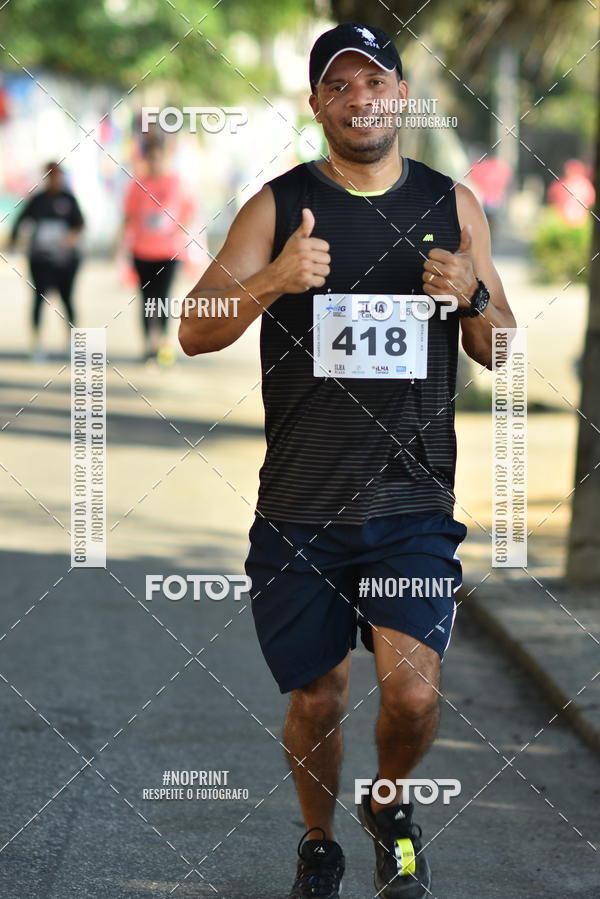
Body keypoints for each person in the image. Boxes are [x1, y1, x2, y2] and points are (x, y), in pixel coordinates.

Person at [180, 22, 516, 899]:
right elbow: (193, 329)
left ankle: (390, 804)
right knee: (319, 695)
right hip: (301, 507)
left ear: (400, 95)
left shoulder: (452, 205)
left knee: (412, 694)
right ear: (317, 103)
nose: (360, 99)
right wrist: (273, 280)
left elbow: (501, 349)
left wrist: (474, 294)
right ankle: (320, 840)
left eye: (375, 82)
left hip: (410, 505)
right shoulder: (278, 205)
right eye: (340, 85)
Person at [123, 139, 193, 364]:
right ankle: (148, 346)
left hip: (168, 253)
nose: (154, 162)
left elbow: (189, 209)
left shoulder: (176, 183)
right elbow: (128, 215)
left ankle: (162, 344)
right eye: (151, 157)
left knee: (163, 299)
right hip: (142, 251)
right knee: (146, 300)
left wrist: (178, 229)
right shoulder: (138, 184)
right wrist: (122, 244)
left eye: (158, 157)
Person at [8, 161, 84, 360]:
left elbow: (80, 224)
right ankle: (37, 343)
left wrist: (69, 240)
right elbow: (20, 221)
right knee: (39, 299)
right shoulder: (37, 200)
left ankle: (72, 342)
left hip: (64, 260)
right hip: (41, 259)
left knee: (67, 299)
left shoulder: (68, 199)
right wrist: (14, 243)